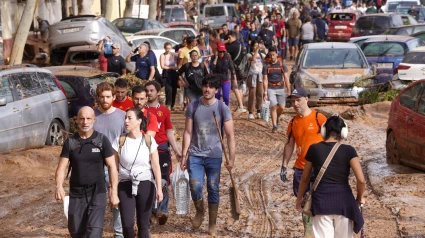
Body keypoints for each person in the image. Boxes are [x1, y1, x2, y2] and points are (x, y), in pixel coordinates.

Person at [180, 74, 235, 236]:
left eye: (211, 86)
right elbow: (188, 132)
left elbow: (230, 135)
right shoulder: (193, 107)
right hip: (195, 155)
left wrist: (231, 159)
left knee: (213, 187)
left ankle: (212, 224)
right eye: (205, 86)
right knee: (195, 186)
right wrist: (184, 155)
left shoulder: (222, 108)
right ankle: (200, 211)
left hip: (214, 155)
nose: (207, 89)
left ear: (216, 90)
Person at [296, 115, 366, 237]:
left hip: (321, 202)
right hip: (344, 203)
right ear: (343, 132)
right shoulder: (349, 150)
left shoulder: (314, 149)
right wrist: (360, 198)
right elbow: (361, 180)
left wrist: (299, 200)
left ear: (324, 131)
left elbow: (305, 178)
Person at [55, 106, 119, 238]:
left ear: (94, 120)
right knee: (76, 233)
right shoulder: (71, 142)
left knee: (94, 233)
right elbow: (61, 167)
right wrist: (59, 186)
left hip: (97, 192)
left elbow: (112, 166)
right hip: (76, 193)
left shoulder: (102, 140)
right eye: (82, 118)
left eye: (88, 118)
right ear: (77, 120)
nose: (85, 122)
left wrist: (114, 191)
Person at [280, 88, 327, 237]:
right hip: (300, 168)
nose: (295, 104)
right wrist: (284, 165)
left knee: (322, 202)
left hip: (321, 168)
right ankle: (308, 232)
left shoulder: (319, 118)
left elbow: (332, 141)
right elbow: (289, 144)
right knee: (304, 203)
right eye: (293, 101)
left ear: (306, 99)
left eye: (298, 100)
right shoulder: (293, 122)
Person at [112, 108, 163, 238]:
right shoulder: (119, 141)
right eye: (125, 118)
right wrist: (112, 189)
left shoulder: (149, 141)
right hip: (124, 184)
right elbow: (113, 167)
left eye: (130, 118)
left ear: (139, 121)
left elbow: (156, 166)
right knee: (127, 225)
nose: (126, 121)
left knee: (144, 225)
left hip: (145, 183)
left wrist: (159, 189)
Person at [145, 81, 183, 225]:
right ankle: (149, 212)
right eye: (147, 91)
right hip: (146, 150)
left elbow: (169, 131)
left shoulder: (165, 110)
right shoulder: (141, 110)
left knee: (162, 181)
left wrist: (176, 150)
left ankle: (162, 211)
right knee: (148, 181)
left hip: (162, 149)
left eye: (151, 90)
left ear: (158, 92)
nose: (149, 93)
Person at [92, 82, 125, 238]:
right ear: (97, 98)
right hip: (94, 168)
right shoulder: (90, 116)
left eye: (108, 97)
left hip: (116, 167)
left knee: (116, 202)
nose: (105, 100)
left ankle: (119, 234)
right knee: (95, 204)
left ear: (114, 97)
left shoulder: (122, 116)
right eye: (102, 97)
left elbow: (126, 142)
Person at [263, 47, 291, 132]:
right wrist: (265, 93)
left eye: (273, 55)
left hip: (280, 88)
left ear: (277, 55)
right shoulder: (266, 66)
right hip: (271, 88)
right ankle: (274, 125)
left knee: (282, 107)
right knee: (273, 106)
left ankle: (277, 116)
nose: (272, 56)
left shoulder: (282, 64)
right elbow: (265, 80)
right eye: (270, 55)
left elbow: (286, 77)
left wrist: (288, 89)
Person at [225, 31, 248, 112]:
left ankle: (241, 106)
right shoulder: (241, 44)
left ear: (231, 36)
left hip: (235, 69)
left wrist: (225, 42)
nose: (228, 40)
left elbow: (221, 47)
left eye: (228, 38)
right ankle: (240, 105)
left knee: (235, 88)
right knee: (239, 87)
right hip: (243, 68)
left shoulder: (231, 46)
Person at [247, 40, 266, 120]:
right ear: (252, 47)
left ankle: (259, 110)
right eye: (255, 45)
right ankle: (250, 112)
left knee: (260, 93)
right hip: (252, 75)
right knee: (252, 94)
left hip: (260, 75)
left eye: (258, 45)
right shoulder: (249, 54)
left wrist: (264, 49)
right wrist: (257, 50)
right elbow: (253, 59)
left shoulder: (261, 55)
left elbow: (268, 57)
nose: (257, 47)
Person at [160, 42, 179, 110]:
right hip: (166, 73)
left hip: (173, 73)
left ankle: (172, 105)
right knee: (168, 89)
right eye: (167, 48)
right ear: (165, 48)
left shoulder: (173, 54)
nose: (168, 50)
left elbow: (179, 59)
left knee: (174, 89)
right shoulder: (162, 55)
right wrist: (171, 67)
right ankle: (168, 104)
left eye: (169, 48)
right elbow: (162, 66)